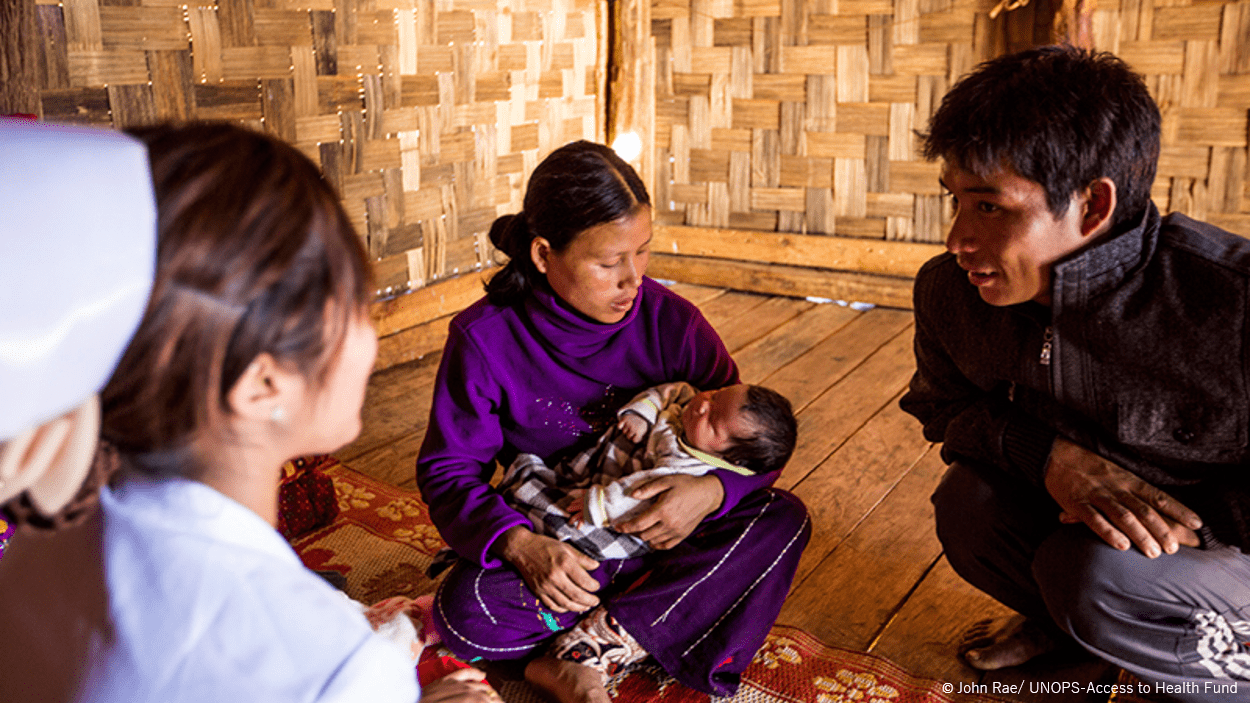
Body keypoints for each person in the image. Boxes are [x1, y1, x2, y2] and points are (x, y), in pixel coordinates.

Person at [0, 122, 499, 703]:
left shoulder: (45, 537)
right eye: (357, 307)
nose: (370, 336)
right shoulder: (332, 667)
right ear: (262, 384)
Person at [899, 45, 1249, 701]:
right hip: (1089, 541)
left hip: (1223, 557)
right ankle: (1072, 631)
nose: (956, 239)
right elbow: (941, 408)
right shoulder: (948, 293)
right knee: (968, 506)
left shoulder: (1231, 304)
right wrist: (1052, 460)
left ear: (1091, 205)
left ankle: (1223, 674)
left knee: (1096, 576)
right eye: (954, 201)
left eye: (990, 207)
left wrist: (1182, 532)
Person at [415, 140, 811, 701]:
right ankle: (650, 621)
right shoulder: (485, 339)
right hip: (564, 539)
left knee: (780, 520)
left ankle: (592, 646)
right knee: (467, 613)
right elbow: (449, 469)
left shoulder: (673, 324)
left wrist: (709, 491)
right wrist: (521, 546)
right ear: (544, 253)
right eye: (608, 263)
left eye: (642, 253)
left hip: (659, 534)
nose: (633, 280)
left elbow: (746, 439)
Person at [500, 381, 798, 560]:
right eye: (716, 394)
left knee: (568, 525)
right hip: (589, 470)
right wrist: (641, 413)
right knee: (531, 469)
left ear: (731, 460)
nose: (703, 405)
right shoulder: (687, 407)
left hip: (615, 514)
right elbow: (669, 392)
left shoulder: (688, 464)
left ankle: (528, 512)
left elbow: (642, 491)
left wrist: (600, 505)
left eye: (713, 422)